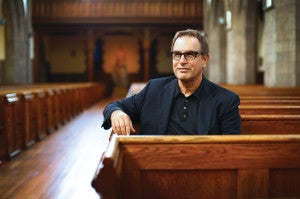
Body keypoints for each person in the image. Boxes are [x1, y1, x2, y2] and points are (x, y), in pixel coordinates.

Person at [102, 29, 241, 135]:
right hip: (154, 168)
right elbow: (114, 106)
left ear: (205, 59)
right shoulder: (154, 89)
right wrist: (117, 113)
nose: (182, 61)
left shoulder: (226, 100)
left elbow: (231, 151)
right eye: (177, 55)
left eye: (190, 54)